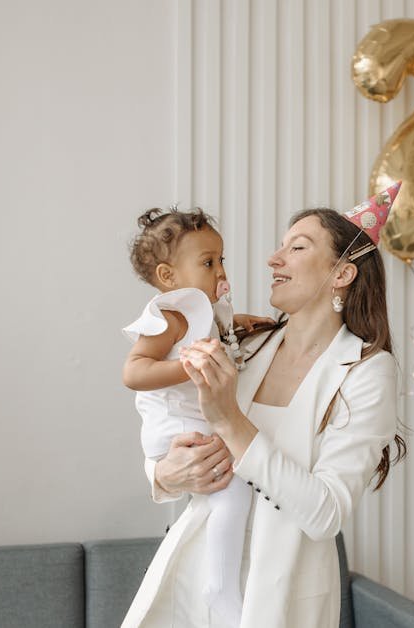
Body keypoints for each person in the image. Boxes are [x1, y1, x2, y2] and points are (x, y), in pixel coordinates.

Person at [122, 184, 407, 628]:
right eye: (280, 246)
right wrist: (164, 474)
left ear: (342, 273)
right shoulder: (248, 347)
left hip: (279, 600)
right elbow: (171, 415)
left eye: (297, 247)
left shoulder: (367, 370)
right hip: (194, 587)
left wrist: (231, 422)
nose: (274, 259)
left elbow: (326, 513)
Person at [122, 206, 273, 626]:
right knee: (233, 491)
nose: (220, 270)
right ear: (169, 277)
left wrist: (239, 325)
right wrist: (188, 365)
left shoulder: (204, 309)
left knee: (233, 490)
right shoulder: (170, 315)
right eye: (208, 262)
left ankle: (222, 584)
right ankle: (218, 587)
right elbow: (134, 371)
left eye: (221, 259)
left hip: (196, 419)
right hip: (177, 425)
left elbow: (215, 334)